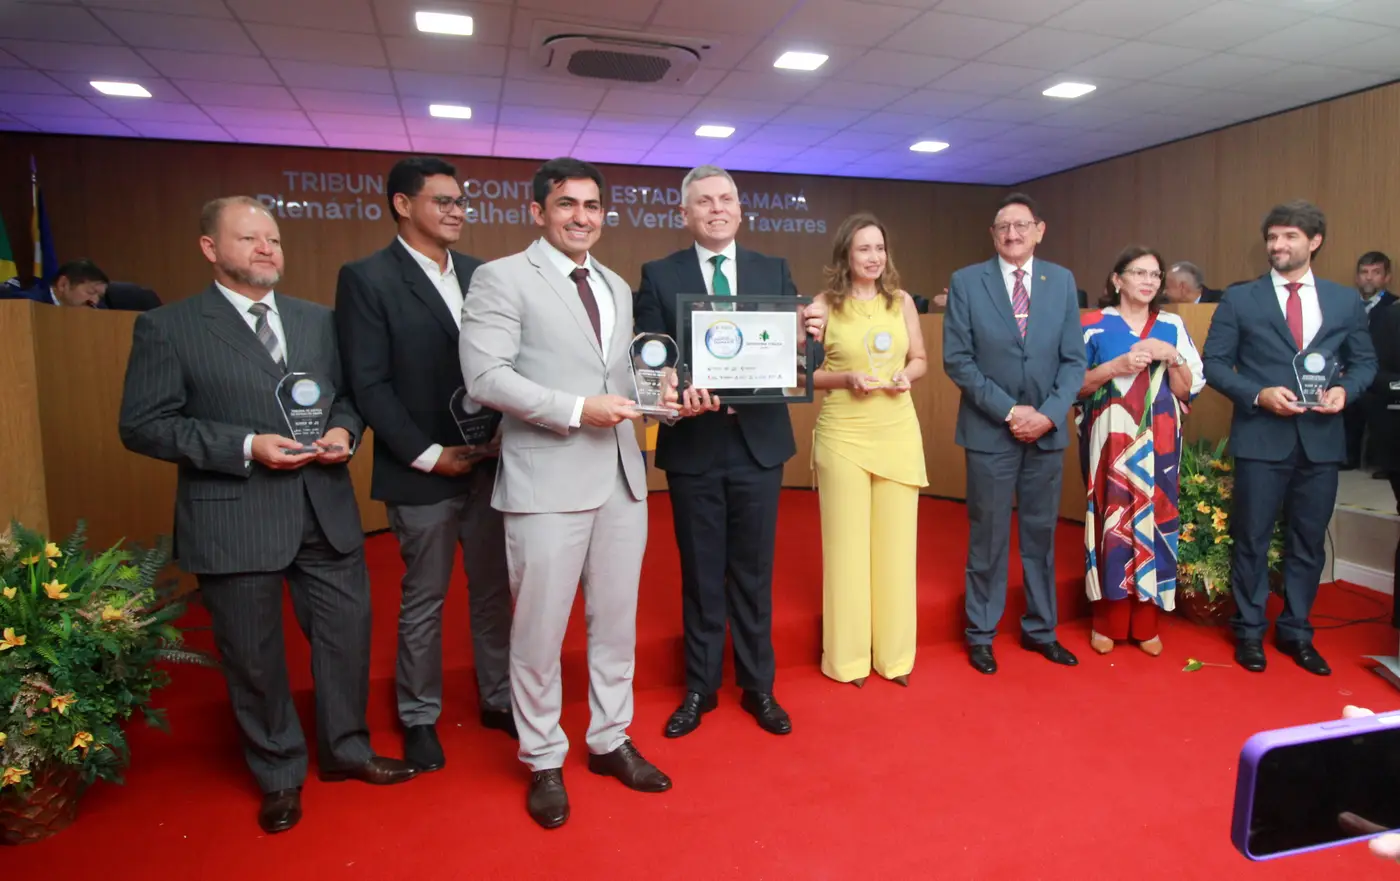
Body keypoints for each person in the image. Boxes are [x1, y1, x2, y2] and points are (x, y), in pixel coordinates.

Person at [118, 196, 416, 835]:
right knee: (252, 656)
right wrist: (246, 445)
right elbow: (143, 425)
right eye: (249, 238)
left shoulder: (318, 321)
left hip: (324, 508)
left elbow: (348, 398)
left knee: (346, 639)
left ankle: (347, 749)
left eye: (273, 240)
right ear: (210, 248)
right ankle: (279, 772)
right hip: (236, 515)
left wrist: (343, 432)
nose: (266, 249)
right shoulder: (169, 328)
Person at [460, 157, 694, 829]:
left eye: (592, 205)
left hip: (621, 477)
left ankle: (609, 737)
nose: (581, 217)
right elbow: (485, 376)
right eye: (567, 204)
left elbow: (622, 381)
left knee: (615, 624)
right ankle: (542, 756)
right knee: (538, 631)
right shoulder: (502, 277)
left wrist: (668, 400)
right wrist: (574, 409)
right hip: (546, 480)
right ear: (538, 211)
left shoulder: (616, 284)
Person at [334, 156, 514, 774]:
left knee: (494, 593)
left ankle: (498, 698)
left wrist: (502, 432)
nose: (457, 211)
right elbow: (368, 383)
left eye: (461, 201)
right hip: (421, 469)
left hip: (490, 462)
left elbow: (503, 364)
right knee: (425, 599)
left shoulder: (482, 274)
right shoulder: (367, 279)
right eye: (443, 201)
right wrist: (432, 456)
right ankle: (418, 716)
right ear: (403, 205)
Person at [633, 164, 824, 739]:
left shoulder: (773, 269)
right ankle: (700, 687)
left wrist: (811, 339)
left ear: (740, 209)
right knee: (700, 573)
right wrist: (671, 387)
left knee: (754, 571)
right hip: (693, 445)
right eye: (705, 201)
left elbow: (803, 360)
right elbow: (650, 356)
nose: (717, 209)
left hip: (757, 445)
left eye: (726, 199)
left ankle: (759, 686)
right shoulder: (659, 274)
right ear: (684, 213)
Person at [1201, 200, 1376, 676]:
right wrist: (1257, 394)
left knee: (1308, 541)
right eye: (1272, 237)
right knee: (1252, 538)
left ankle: (1296, 631)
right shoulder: (1241, 298)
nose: (1278, 245)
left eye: (1289, 237)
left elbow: (1364, 363)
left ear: (1314, 242)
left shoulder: (1343, 301)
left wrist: (1345, 390)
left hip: (1321, 439)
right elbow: (1213, 363)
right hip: (1261, 437)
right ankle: (1249, 631)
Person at [943, 192, 1087, 675]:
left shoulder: (1060, 281)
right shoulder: (967, 282)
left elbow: (1074, 361)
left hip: (1046, 433)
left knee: (1041, 537)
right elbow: (958, 360)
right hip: (990, 432)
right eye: (1003, 227)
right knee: (987, 538)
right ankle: (981, 633)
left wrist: (1048, 415)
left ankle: (1041, 629)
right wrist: (1010, 411)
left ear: (1039, 230)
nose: (1012, 234)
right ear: (993, 234)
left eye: (1022, 225)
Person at [809, 213, 927, 686]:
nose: (874, 257)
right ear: (846, 254)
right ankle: (849, 659)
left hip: (897, 430)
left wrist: (906, 375)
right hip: (843, 434)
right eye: (864, 248)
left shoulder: (901, 302)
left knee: (897, 551)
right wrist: (846, 378)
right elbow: (802, 374)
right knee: (847, 552)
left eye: (880, 248)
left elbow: (919, 358)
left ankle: (894, 657)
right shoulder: (823, 305)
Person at [1076, 246, 1204, 656]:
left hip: (1160, 439)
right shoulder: (1092, 324)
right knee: (1111, 522)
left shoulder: (1171, 324)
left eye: (1155, 274)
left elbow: (1186, 389)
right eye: (1138, 273)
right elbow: (1075, 386)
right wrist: (1116, 367)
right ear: (1117, 280)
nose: (1148, 281)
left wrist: (1174, 356)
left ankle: (1146, 623)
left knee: (1156, 518)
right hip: (1110, 440)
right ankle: (1108, 621)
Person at [1, 259, 108, 307]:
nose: (95, 301)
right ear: (63, 284)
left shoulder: (98, 310)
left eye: (100, 296)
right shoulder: (29, 304)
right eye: (91, 292)